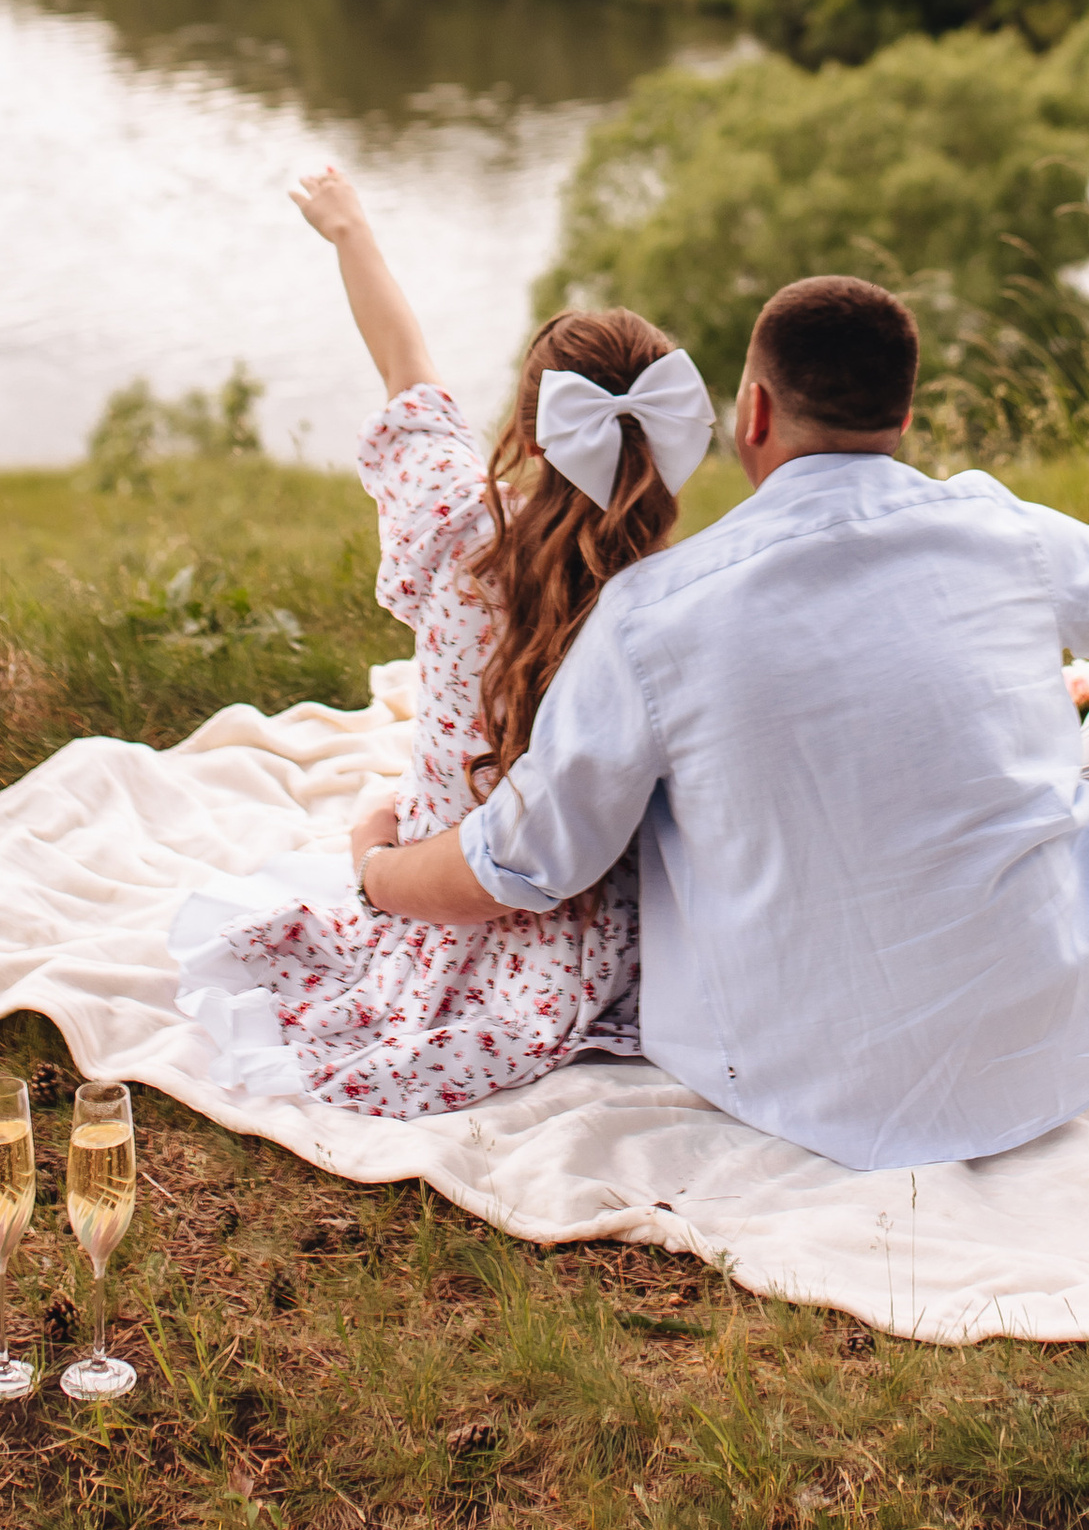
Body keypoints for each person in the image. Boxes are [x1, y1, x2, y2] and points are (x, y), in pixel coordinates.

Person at [347, 272, 1089, 1171]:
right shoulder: (1001, 534)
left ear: (753, 414)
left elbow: (525, 861)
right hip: (1053, 1048)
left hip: (776, 1082)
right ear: (905, 417)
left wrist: (378, 871)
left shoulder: (650, 615)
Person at [169, 168, 712, 1118]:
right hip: (597, 937)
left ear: (533, 434)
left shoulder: (456, 530)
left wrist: (350, 232)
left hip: (438, 890)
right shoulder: (686, 601)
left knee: (387, 809)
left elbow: (406, 370)